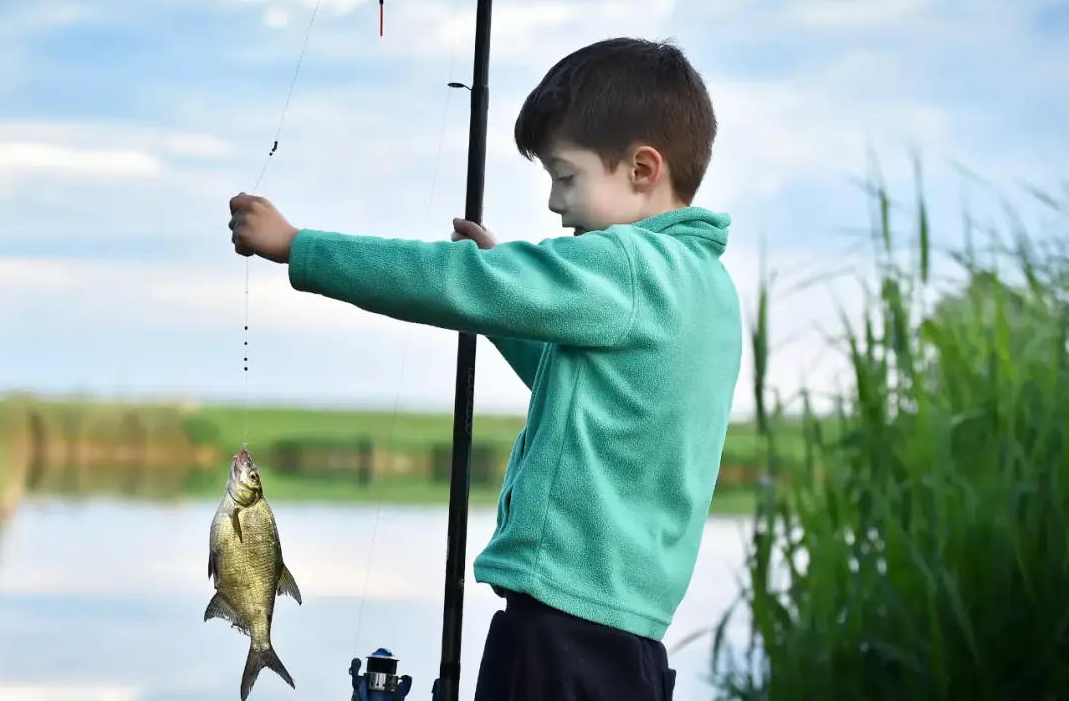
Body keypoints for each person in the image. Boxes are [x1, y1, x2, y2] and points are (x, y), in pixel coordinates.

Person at [227, 36, 741, 701]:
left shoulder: (627, 266)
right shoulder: (708, 290)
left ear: (643, 169)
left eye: (566, 176)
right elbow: (588, 389)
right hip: (630, 647)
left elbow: (453, 280)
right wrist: (511, 307)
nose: (556, 204)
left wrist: (301, 249)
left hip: (556, 636)